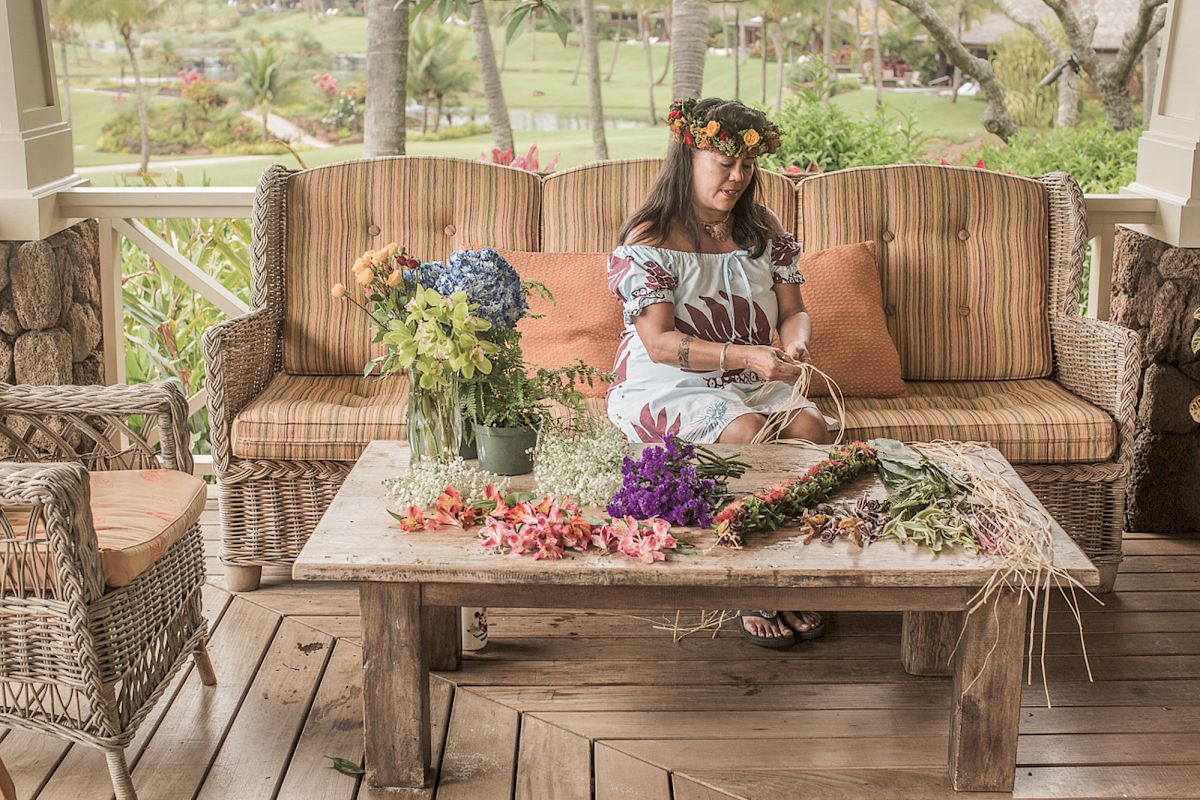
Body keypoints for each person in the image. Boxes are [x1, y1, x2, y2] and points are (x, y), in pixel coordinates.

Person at [606, 97, 834, 649]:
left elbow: (793, 310)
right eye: (723, 162)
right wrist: (748, 355)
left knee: (811, 431)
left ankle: (793, 571)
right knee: (746, 434)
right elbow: (659, 344)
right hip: (668, 378)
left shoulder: (761, 226)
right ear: (688, 156)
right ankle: (746, 579)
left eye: (747, 166)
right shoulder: (651, 234)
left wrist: (795, 341)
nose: (737, 178)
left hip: (750, 372)